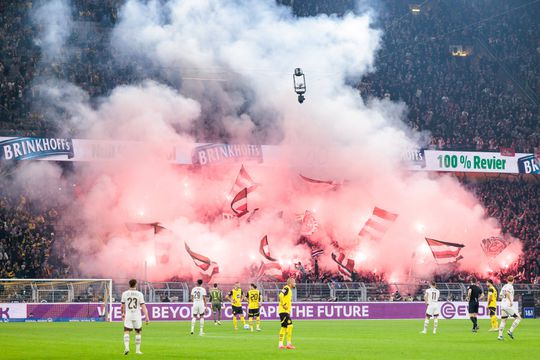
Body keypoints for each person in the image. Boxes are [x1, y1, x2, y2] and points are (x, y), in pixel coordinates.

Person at [121, 279, 149, 355]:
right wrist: (147, 317)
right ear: (136, 284)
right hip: (137, 315)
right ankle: (137, 351)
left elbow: (122, 305)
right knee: (138, 332)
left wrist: (122, 313)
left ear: (129, 284)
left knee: (126, 331)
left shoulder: (125, 294)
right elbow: (143, 306)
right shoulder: (140, 294)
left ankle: (126, 348)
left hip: (128, 315)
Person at [498, 276, 522, 340]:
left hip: (503, 305)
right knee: (518, 318)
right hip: (507, 305)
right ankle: (510, 331)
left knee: (503, 320)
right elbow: (507, 292)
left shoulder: (504, 286)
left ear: (507, 280)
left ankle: (500, 336)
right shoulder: (510, 286)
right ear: (513, 280)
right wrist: (510, 301)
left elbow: (500, 296)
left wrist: (504, 298)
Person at [278, 277, 296, 349]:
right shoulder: (286, 288)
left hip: (285, 312)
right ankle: (287, 344)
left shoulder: (289, 290)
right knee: (288, 326)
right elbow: (280, 295)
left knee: (285, 327)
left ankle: (282, 344)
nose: (295, 283)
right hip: (283, 311)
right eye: (294, 282)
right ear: (290, 283)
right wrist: (283, 304)